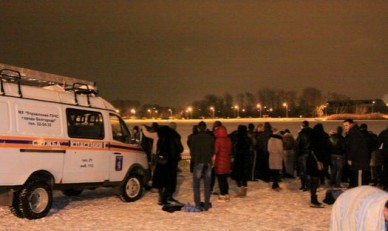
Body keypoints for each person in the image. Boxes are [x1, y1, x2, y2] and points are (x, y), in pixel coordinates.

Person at [152, 126, 183, 206]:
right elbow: (180, 149)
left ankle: (162, 198)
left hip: (162, 161)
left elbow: (157, 150)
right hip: (171, 162)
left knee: (161, 180)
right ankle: (167, 198)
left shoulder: (161, 139)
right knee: (170, 180)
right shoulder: (174, 137)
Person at [189, 121, 215, 211]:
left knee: (196, 184)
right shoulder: (210, 138)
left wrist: (195, 158)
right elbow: (213, 150)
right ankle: (207, 204)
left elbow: (192, 151)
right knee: (207, 185)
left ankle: (197, 204)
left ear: (198, 128)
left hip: (198, 161)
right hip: (208, 162)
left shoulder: (194, 138)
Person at [307, 123, 330, 207]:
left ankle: (313, 198)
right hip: (317, 162)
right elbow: (323, 151)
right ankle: (314, 200)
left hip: (311, 162)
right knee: (315, 181)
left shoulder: (312, 138)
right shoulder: (321, 139)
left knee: (313, 181)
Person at [343, 119, 370, 188]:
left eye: (346, 125)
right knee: (357, 180)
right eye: (344, 126)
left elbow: (353, 147)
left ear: (351, 125)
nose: (345, 127)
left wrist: (350, 158)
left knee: (359, 181)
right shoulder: (354, 133)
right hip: (358, 162)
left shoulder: (354, 134)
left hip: (359, 162)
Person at [231, 125, 252, 197]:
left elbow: (234, 148)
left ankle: (241, 190)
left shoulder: (237, 138)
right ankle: (244, 190)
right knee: (244, 175)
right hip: (246, 158)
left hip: (239, 158)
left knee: (238, 175)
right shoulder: (248, 138)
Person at [213, 125, 232, 202]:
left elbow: (215, 150)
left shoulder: (218, 140)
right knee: (225, 179)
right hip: (226, 161)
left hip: (220, 162)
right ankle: (226, 194)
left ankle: (223, 195)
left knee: (221, 180)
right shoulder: (228, 140)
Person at [295, 120, 313, 191]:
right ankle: (308, 185)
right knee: (309, 171)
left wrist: (297, 154)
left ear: (303, 125)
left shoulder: (301, 134)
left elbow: (297, 144)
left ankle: (303, 185)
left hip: (302, 154)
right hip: (310, 154)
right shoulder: (312, 132)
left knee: (303, 171)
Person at [378, 125, 388, 191]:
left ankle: (385, 185)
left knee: (385, 170)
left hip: (386, 155)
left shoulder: (384, 133)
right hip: (385, 154)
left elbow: (378, 142)